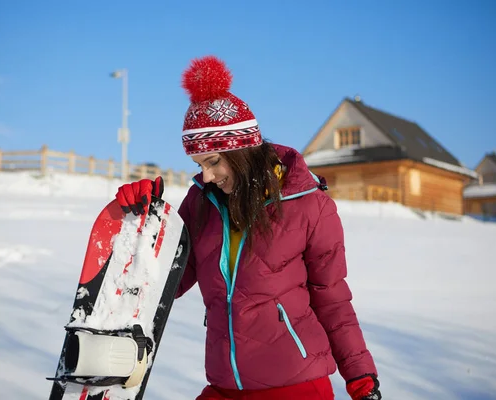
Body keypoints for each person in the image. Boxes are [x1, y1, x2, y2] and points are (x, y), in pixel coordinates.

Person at [115, 55, 382, 400]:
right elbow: (168, 282)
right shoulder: (201, 203)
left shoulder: (309, 205)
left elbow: (333, 299)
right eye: (199, 164)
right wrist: (144, 220)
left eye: (213, 161)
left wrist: (361, 378)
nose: (207, 175)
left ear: (242, 150)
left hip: (295, 384)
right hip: (224, 385)